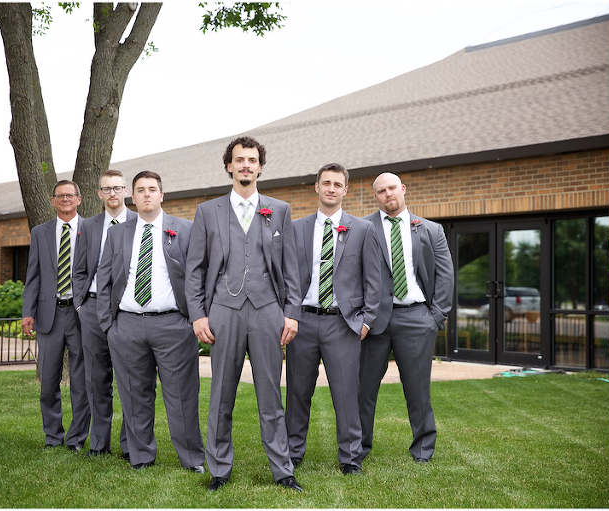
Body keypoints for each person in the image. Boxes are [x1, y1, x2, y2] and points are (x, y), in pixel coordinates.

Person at [186, 136, 303, 492]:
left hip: (268, 311)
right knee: (221, 394)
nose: (246, 165)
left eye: (252, 160)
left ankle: (283, 471)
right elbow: (194, 268)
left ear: (260, 166)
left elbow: (290, 267)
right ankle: (219, 469)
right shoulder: (209, 211)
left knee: (271, 396)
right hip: (223, 311)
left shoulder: (278, 209)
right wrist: (198, 315)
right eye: (240, 160)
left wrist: (291, 312)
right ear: (229, 166)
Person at [96, 171, 205, 473]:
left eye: (152, 189)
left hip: (174, 326)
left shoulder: (184, 230)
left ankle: (192, 460)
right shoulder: (118, 233)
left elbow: (199, 278)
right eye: (140, 190)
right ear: (132, 196)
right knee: (134, 395)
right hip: (127, 326)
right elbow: (104, 281)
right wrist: (110, 325)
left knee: (182, 397)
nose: (146, 194)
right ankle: (141, 457)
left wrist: (192, 319)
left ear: (162, 195)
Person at [286, 163, 382, 476]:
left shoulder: (363, 229)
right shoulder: (296, 228)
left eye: (337, 184)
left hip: (343, 323)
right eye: (325, 182)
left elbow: (374, 280)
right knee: (298, 392)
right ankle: (292, 452)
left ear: (345, 190)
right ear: (316, 187)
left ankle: (351, 458)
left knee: (345, 394)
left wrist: (366, 320)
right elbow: (286, 276)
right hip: (302, 321)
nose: (331, 188)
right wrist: (288, 315)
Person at [360, 172, 454, 463]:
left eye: (392, 188)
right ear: (375, 197)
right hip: (373, 321)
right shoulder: (362, 228)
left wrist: (435, 316)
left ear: (402, 190)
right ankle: (357, 449)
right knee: (363, 390)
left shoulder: (430, 230)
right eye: (381, 191)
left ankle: (423, 450)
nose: (388, 194)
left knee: (418, 390)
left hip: (416, 317)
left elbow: (445, 276)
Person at [22, 180, 90, 451]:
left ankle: (76, 438)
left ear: (79, 199)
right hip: (48, 315)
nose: (65, 199)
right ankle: (53, 437)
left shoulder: (91, 229)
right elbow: (33, 275)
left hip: (81, 315)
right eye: (60, 196)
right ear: (52, 201)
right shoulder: (40, 232)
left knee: (80, 381)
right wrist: (28, 312)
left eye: (70, 195)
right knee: (48, 381)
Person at [73, 170, 137, 458]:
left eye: (117, 188)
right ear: (99, 194)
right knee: (96, 379)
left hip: (126, 310)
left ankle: (130, 444)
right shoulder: (88, 226)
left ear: (126, 191)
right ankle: (99, 444)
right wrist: (80, 303)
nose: (112, 193)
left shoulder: (140, 222)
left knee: (130, 378)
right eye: (106, 189)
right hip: (92, 309)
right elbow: (80, 268)